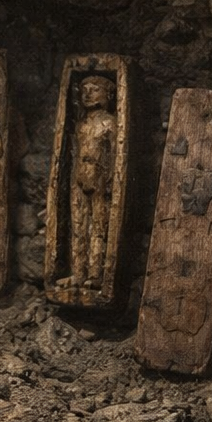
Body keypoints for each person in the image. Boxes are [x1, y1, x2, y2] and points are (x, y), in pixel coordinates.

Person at [61, 74, 117, 289]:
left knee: (99, 226)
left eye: (94, 89)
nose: (88, 94)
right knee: (78, 226)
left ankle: (95, 274)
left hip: (100, 178)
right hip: (80, 177)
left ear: (107, 95)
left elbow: (115, 155)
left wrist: (111, 181)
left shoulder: (110, 123)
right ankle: (78, 272)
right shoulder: (81, 124)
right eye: (85, 89)